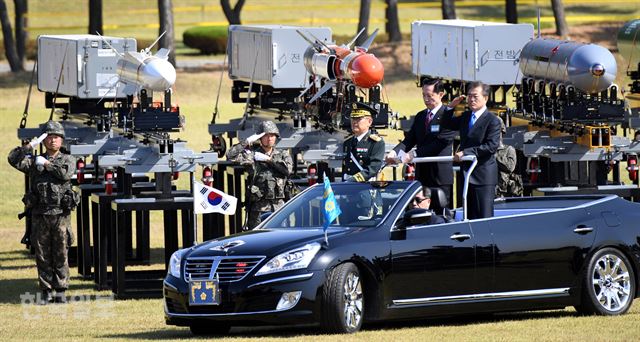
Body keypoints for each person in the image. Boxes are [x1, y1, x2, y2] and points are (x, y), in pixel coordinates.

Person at [8, 121, 77, 305]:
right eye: (49, 137)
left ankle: (61, 289)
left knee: (61, 252)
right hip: (40, 214)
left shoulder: (67, 160)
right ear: (44, 140)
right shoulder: (33, 161)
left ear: (61, 140)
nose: (53, 140)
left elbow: (65, 175)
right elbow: (13, 159)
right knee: (42, 254)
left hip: (60, 215)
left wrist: (46, 164)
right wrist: (30, 146)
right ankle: (46, 290)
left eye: (56, 137)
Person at [385, 78, 455, 203]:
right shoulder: (421, 116)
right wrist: (394, 152)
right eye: (423, 95)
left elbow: (440, 143)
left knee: (440, 214)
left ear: (441, 94)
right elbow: (409, 141)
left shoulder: (448, 116)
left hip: (439, 175)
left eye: (429, 95)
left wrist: (413, 154)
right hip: (422, 175)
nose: (426, 99)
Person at [442, 81, 501, 219]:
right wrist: (450, 107)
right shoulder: (466, 117)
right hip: (466, 174)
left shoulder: (493, 120)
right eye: (469, 96)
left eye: (475, 96)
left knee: (484, 217)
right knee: (469, 215)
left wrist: (466, 153)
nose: (471, 99)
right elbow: (446, 124)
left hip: (483, 176)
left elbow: (491, 146)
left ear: (485, 98)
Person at [227, 121, 293, 229]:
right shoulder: (252, 155)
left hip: (279, 209)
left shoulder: (283, 155)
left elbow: (287, 171)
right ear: (260, 138)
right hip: (258, 211)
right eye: (266, 135)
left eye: (272, 135)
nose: (269, 138)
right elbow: (230, 155)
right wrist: (246, 142)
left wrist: (269, 160)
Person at [342, 103, 385, 182]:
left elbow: (373, 169)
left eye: (359, 119)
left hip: (366, 186)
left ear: (369, 122)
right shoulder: (348, 142)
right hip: (348, 187)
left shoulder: (376, 143)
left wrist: (353, 180)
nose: (354, 122)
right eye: (353, 118)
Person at [495, 119, 523, 198]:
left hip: (503, 193)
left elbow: (510, 167)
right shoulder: (484, 149)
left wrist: (494, 155)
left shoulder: (508, 149)